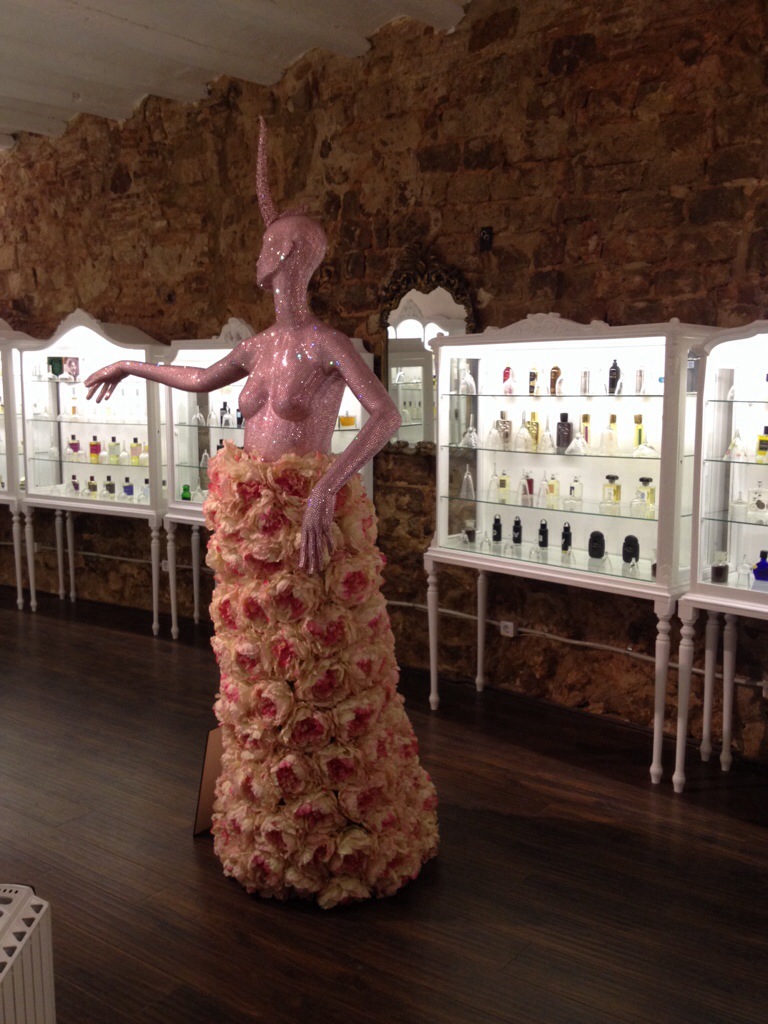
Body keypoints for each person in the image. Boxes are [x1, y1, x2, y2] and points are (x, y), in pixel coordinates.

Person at [85, 118, 438, 908]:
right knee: (258, 665)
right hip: (253, 525)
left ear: (286, 255)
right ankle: (264, 812)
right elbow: (196, 379)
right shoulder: (259, 345)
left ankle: (339, 820)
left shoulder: (325, 344)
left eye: (265, 245)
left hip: (307, 521)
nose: (255, 257)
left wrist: (326, 488)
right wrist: (130, 364)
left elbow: (384, 416)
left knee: (316, 663)